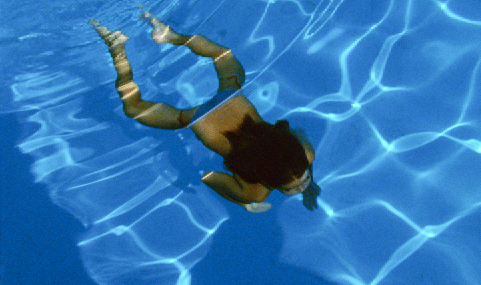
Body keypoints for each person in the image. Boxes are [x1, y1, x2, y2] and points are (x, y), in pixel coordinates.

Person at [89, 11, 320, 212]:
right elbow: (209, 177)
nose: (303, 187)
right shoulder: (256, 192)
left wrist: (305, 174)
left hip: (231, 97)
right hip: (198, 120)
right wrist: (243, 202)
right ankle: (116, 47)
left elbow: (297, 131)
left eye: (297, 187)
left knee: (222, 55)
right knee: (133, 108)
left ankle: (168, 35)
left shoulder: (306, 154)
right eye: (302, 182)